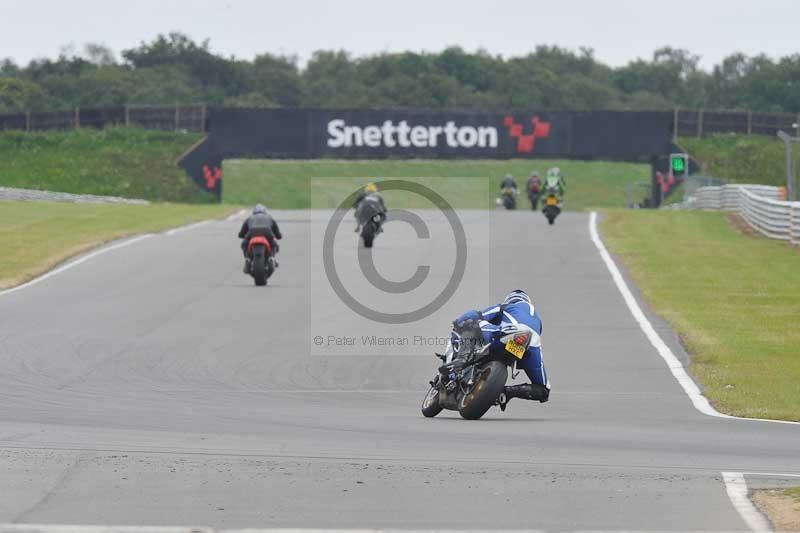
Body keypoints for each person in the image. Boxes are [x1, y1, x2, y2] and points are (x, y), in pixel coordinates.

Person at [447, 289, 550, 409]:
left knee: (470, 323)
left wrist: (459, 321)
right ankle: (508, 392)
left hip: (510, 334)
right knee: (544, 389)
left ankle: (461, 359)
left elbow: (479, 315)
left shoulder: (507, 306)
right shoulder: (537, 320)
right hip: (531, 346)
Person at [238, 204, 282, 273]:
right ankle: (272, 257)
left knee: (244, 244)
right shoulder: (269, 217)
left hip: (252, 232)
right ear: (265, 211)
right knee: (274, 245)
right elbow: (277, 234)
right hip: (267, 232)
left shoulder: (249, 218)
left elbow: (241, 234)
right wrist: (279, 236)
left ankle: (247, 259)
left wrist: (242, 236)